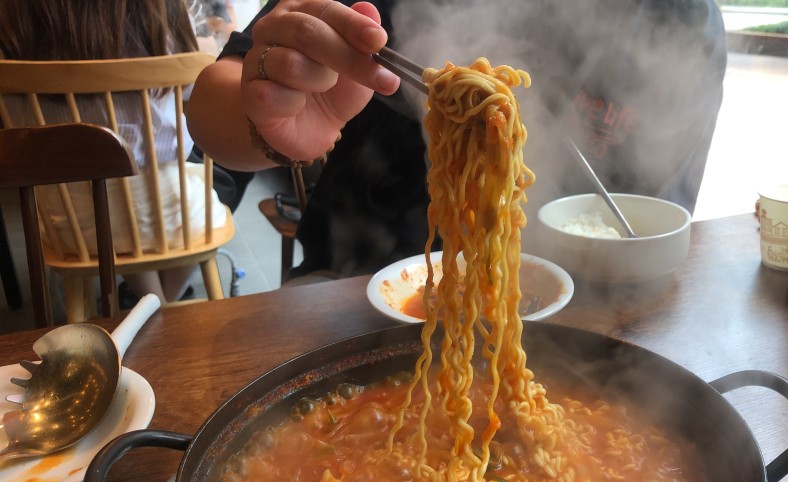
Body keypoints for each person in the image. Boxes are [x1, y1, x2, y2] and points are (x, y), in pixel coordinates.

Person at [186, 0, 725, 280]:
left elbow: (653, 227)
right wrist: (269, 112)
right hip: (352, 290)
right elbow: (213, 103)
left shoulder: (682, 24)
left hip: (575, 311)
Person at [0, 0, 228, 304]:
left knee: (115, 199)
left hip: (71, 225)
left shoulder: (11, 17)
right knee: (212, 189)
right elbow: (197, 88)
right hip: (172, 220)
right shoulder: (156, 11)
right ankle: (160, 310)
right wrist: (206, 51)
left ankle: (152, 308)